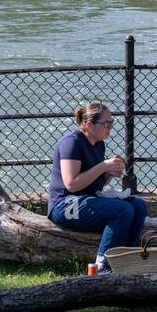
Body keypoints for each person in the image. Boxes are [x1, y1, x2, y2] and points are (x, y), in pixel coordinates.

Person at [47, 101, 147, 273]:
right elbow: (71, 184)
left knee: (138, 205)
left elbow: (93, 183)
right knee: (122, 210)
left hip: (86, 199)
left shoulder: (99, 144)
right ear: (89, 125)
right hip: (64, 205)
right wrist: (103, 167)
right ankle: (104, 267)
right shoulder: (71, 143)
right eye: (105, 123)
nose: (109, 127)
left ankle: (126, 261)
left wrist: (109, 174)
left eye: (111, 122)